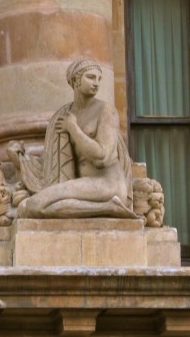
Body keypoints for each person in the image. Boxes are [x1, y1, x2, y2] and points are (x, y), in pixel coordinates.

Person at [12, 59, 137, 219]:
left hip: (108, 183)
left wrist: (73, 128)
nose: (96, 83)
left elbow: (103, 157)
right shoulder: (65, 114)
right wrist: (22, 159)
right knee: (32, 207)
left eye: (99, 79)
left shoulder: (105, 110)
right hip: (86, 186)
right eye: (91, 77)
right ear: (75, 81)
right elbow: (53, 162)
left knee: (31, 206)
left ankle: (111, 205)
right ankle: (109, 208)